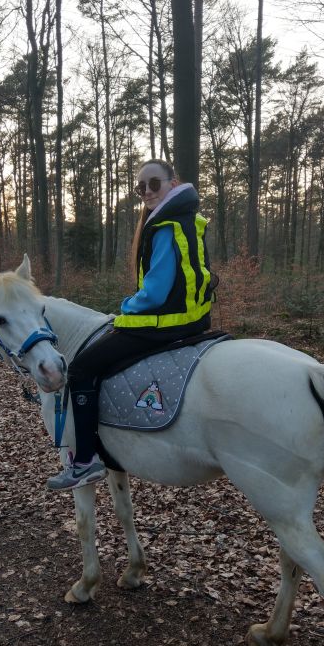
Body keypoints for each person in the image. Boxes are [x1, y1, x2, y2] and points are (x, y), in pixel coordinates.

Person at [47, 158, 213, 491]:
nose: (147, 192)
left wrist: (126, 308)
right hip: (193, 319)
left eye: (154, 184)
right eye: (141, 187)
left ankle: (84, 462)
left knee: (81, 368)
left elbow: (155, 291)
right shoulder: (188, 219)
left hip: (164, 322)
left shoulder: (164, 225)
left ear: (173, 183)